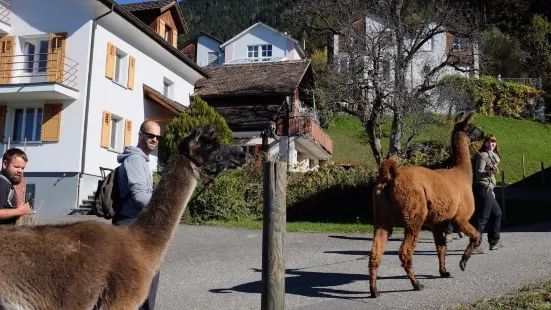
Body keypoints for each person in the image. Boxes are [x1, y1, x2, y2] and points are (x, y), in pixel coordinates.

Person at [112, 120, 162, 310]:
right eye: (150, 135)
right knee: (139, 281)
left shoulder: (140, 160)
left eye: (157, 137)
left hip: (134, 225)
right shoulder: (135, 160)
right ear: (140, 135)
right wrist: (163, 205)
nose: (154, 139)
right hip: (130, 226)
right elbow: (140, 197)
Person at [472, 134, 504, 254]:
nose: (492, 144)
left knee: (497, 213)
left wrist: (492, 190)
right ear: (485, 143)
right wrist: (489, 171)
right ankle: (474, 245)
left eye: (493, 142)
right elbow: (479, 172)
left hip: (489, 189)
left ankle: (494, 242)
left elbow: (490, 176)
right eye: (489, 142)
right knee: (482, 218)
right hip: (482, 188)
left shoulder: (494, 157)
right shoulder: (483, 155)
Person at [0, 148, 31, 225]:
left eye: (22, 168)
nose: (20, 171)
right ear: (5, 164)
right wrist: (19, 211)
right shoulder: (2, 183)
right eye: (16, 167)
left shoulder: (7, 183)